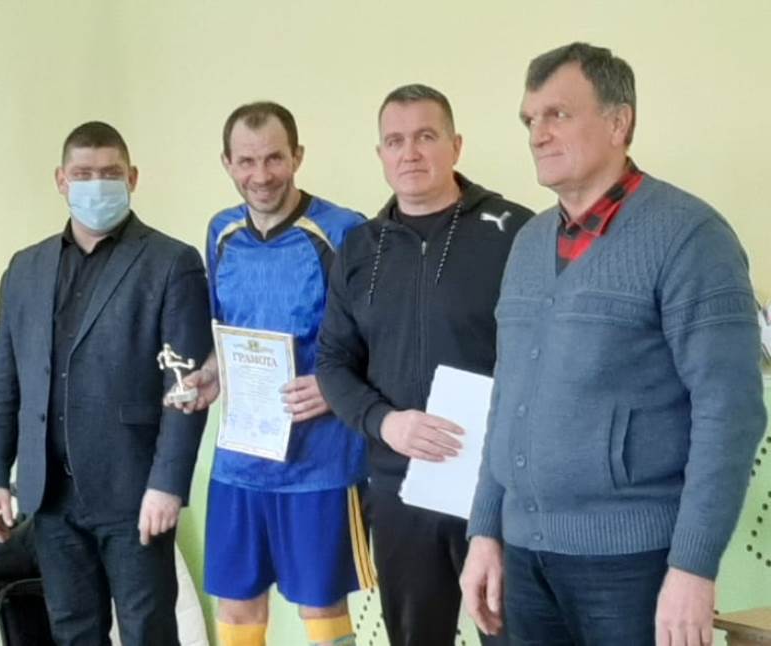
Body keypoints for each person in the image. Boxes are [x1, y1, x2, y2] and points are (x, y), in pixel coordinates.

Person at [460, 42, 768, 646]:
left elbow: (729, 411)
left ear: (618, 122)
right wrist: (485, 530)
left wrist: (693, 566)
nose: (538, 134)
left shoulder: (690, 237)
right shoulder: (528, 243)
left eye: (558, 114)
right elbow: (507, 398)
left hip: (632, 566)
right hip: (522, 561)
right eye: (530, 119)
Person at [0, 121, 212, 646]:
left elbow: (188, 389)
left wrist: (168, 484)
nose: (96, 184)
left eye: (110, 173)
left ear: (132, 177)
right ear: (61, 180)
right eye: (83, 174)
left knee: (148, 631)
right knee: (73, 632)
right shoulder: (25, 268)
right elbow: (4, 384)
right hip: (50, 495)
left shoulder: (171, 263)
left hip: (134, 491)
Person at [316, 85, 533, 646]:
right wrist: (385, 422)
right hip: (400, 489)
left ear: (456, 146)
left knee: (514, 635)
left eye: (425, 136)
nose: (409, 153)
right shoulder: (358, 248)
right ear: (380, 154)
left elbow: (546, 355)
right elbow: (333, 362)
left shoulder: (516, 232)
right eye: (395, 141)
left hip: (498, 491)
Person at [169, 101, 370, 646]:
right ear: (227, 163)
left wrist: (334, 388)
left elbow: (379, 340)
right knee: (237, 609)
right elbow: (226, 331)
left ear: (297, 156)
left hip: (320, 461)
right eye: (247, 161)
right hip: (241, 458)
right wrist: (211, 374)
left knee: (322, 608)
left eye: (274, 158)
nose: (261, 176)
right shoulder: (221, 231)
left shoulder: (343, 231)